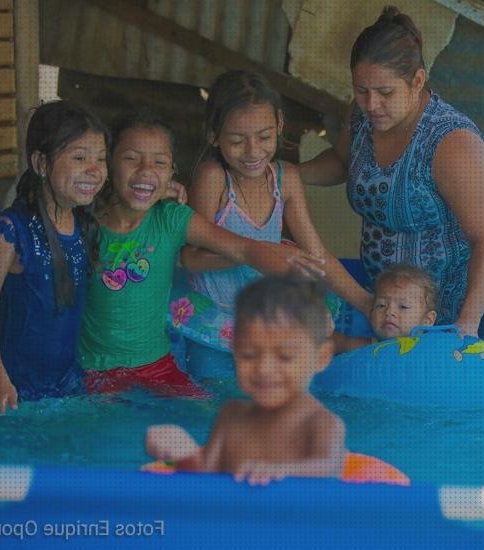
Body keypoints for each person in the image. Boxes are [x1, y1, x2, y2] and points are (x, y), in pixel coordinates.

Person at [299, 6, 484, 347]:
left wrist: (467, 325)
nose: (371, 104)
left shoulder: (451, 142)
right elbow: (342, 163)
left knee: (447, 393)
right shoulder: (361, 116)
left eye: (386, 93)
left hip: (464, 294)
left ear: (417, 81)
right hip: (398, 303)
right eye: (361, 90)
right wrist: (289, 174)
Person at [79, 111, 329, 397]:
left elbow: (243, 248)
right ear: (109, 163)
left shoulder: (170, 219)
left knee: (207, 415)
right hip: (96, 371)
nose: (146, 169)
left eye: (159, 162)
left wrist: (301, 283)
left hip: (159, 367)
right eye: (132, 158)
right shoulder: (86, 220)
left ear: (172, 170)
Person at [177, 70, 372, 379]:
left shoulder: (286, 179)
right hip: (215, 325)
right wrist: (258, 253)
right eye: (237, 140)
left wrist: (368, 303)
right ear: (214, 134)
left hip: (266, 321)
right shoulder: (213, 178)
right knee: (213, 403)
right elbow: (191, 258)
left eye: (265, 137)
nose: (253, 152)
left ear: (280, 124)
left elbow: (318, 256)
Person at [0, 101, 109, 413]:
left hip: (65, 386)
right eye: (80, 157)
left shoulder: (85, 224)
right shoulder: (10, 232)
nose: (95, 169)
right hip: (13, 392)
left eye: (101, 159)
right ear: (41, 163)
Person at [145, 276, 345, 485]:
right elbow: (206, 482)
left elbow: (328, 469)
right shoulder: (230, 416)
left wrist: (280, 470)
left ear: (321, 358)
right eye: (249, 354)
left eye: (285, 356)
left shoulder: (322, 423)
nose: (264, 369)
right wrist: (184, 453)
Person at [332, 263, 437, 353]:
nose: (389, 312)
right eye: (381, 305)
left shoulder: (431, 350)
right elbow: (338, 342)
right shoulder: (368, 347)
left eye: (403, 306)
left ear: (427, 320)